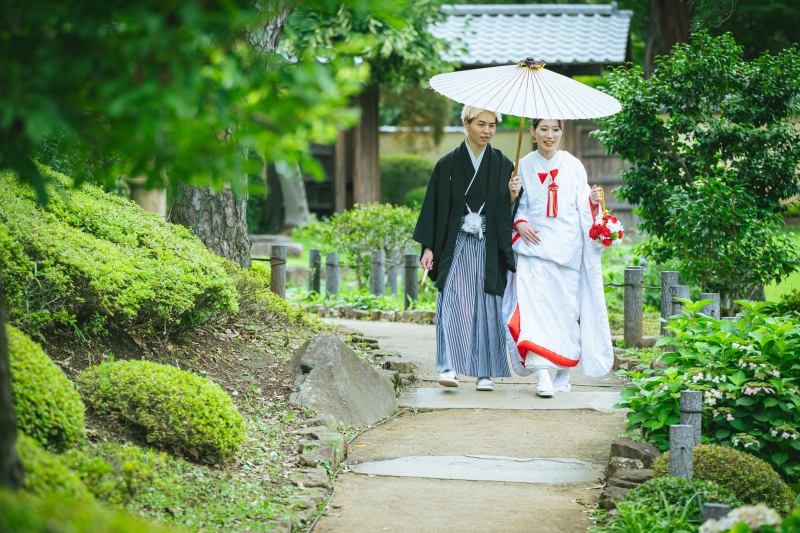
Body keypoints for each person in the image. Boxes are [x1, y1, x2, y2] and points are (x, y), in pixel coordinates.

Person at [505, 119, 613, 397]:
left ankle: (563, 373)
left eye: (555, 129)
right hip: (533, 248)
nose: (549, 135)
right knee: (534, 311)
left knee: (565, 312)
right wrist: (517, 217)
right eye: (543, 129)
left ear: (562, 131)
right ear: (532, 132)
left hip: (566, 249)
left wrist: (593, 202)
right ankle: (542, 374)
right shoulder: (522, 166)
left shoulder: (574, 166)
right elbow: (516, 207)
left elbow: (583, 208)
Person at [413, 106, 516, 391]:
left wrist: (512, 195)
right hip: (455, 243)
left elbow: (508, 212)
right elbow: (432, 208)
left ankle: (485, 372)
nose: (487, 130)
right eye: (481, 124)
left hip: (488, 244)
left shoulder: (504, 164)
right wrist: (428, 248)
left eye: (492, 125)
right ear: (466, 123)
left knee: (487, 304)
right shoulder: (447, 164)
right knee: (451, 300)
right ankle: (448, 367)